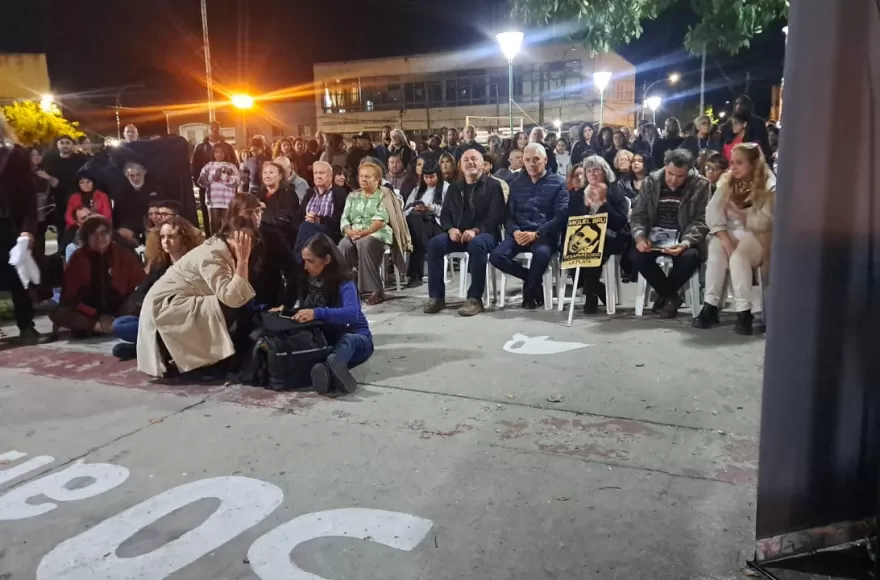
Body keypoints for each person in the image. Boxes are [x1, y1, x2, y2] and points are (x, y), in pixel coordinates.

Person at [137, 213, 259, 378]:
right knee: (230, 307)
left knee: (245, 310)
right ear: (227, 236)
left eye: (249, 240)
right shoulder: (213, 255)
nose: (245, 244)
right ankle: (209, 362)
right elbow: (232, 298)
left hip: (181, 304)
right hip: (166, 308)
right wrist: (243, 260)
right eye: (240, 238)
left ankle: (227, 359)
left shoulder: (225, 251)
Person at [693, 143, 774, 335]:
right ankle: (710, 306)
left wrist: (740, 215)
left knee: (738, 258)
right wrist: (724, 238)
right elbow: (713, 212)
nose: (734, 167)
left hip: (757, 235)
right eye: (732, 162)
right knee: (716, 251)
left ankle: (744, 312)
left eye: (739, 163)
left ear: (753, 164)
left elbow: (766, 222)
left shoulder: (769, 186)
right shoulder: (727, 182)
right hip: (729, 232)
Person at [423, 148, 505, 316]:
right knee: (435, 244)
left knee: (476, 244)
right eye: (466, 160)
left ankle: (475, 299)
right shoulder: (454, 187)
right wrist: (450, 229)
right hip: (458, 235)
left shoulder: (493, 186)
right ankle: (436, 297)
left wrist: (476, 230)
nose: (470, 162)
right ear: (460, 165)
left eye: (474, 159)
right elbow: (445, 215)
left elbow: (496, 216)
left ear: (482, 164)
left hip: (485, 235)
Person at [630, 149, 710, 318]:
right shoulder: (650, 182)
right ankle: (671, 296)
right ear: (665, 166)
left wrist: (685, 243)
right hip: (654, 236)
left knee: (690, 257)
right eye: (670, 174)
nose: (673, 180)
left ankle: (665, 296)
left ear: (688, 171)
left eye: (680, 176)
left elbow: (702, 220)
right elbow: (638, 216)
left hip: (683, 237)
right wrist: (640, 237)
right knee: (637, 256)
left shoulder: (701, 185)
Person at [489, 143, 569, 309]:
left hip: (544, 235)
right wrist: (515, 231)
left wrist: (537, 233)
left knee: (541, 254)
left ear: (545, 160)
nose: (532, 164)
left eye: (536, 159)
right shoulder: (516, 184)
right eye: (527, 160)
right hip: (519, 233)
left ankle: (530, 290)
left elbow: (561, 217)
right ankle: (532, 280)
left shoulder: (559, 183)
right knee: (496, 256)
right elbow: (508, 216)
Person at [111, 215, 202, 360]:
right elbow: (139, 294)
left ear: (184, 238)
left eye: (171, 237)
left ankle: (150, 348)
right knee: (120, 325)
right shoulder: (160, 266)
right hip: (156, 317)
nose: (166, 241)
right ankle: (157, 346)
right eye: (163, 237)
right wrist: (151, 306)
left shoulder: (195, 264)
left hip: (183, 321)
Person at [298, 234, 374, 395]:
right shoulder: (307, 279)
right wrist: (285, 310)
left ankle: (331, 367)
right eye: (304, 260)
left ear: (326, 259)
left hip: (358, 340)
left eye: (310, 261)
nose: (305, 266)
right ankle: (329, 372)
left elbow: (352, 314)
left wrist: (317, 313)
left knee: (347, 341)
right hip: (327, 340)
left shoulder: (344, 280)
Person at [50, 215, 145, 337]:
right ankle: (104, 328)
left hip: (120, 309)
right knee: (60, 312)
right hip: (90, 314)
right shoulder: (78, 258)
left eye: (104, 233)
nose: (100, 238)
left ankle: (117, 325)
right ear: (86, 237)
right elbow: (70, 297)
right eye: (94, 234)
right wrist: (95, 316)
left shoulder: (124, 256)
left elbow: (141, 286)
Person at [567, 156, 631, 313]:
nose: (592, 174)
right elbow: (571, 219)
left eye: (596, 170)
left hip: (612, 236)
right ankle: (595, 288)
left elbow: (620, 222)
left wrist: (603, 204)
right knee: (574, 246)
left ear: (605, 172)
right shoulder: (580, 193)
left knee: (594, 247)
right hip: (584, 237)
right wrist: (585, 207)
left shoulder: (615, 191)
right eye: (589, 171)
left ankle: (591, 295)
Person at [338, 159, 395, 305]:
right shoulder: (353, 196)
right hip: (355, 233)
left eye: (367, 176)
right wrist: (350, 232)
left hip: (377, 232)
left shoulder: (383, 196)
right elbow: (344, 219)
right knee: (343, 245)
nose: (363, 179)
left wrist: (363, 233)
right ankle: (346, 288)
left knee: (364, 243)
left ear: (377, 180)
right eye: (361, 176)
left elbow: (380, 220)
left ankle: (373, 290)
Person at [402, 159, 448, 287]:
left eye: (432, 177)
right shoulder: (418, 189)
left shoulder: (446, 188)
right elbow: (405, 210)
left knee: (417, 233)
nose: (429, 180)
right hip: (419, 224)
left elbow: (449, 212)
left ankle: (415, 275)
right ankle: (426, 251)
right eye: (426, 177)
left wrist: (432, 208)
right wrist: (414, 208)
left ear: (438, 175)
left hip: (437, 224)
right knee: (415, 220)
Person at [191, 121, 238, 235]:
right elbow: (195, 166)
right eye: (212, 128)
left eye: (217, 128)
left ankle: (227, 239)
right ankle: (210, 238)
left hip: (226, 191)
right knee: (210, 218)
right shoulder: (201, 147)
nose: (214, 130)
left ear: (220, 130)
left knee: (227, 220)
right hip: (209, 189)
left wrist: (230, 181)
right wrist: (201, 183)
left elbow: (235, 165)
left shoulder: (228, 147)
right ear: (208, 130)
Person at [294, 161, 349, 256]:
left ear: (330, 176)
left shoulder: (340, 194)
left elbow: (340, 220)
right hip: (308, 231)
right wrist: (307, 219)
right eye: (316, 173)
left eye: (322, 173)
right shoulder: (309, 193)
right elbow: (298, 216)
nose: (318, 176)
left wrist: (320, 220)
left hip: (329, 232)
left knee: (306, 227)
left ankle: (296, 261)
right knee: (304, 228)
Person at [40, 135, 87, 236]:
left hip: (75, 198)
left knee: (73, 227)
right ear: (57, 145)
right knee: (51, 228)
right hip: (54, 199)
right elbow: (42, 173)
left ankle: (70, 245)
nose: (64, 145)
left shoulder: (80, 159)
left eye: (67, 143)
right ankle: (52, 246)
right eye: (62, 143)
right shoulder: (51, 159)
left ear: (72, 145)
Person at [197, 145, 241, 232]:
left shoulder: (231, 166)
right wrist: (212, 178)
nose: (219, 154)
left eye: (221, 152)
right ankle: (215, 241)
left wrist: (226, 178)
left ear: (225, 153)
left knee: (227, 227)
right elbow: (201, 181)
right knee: (214, 226)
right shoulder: (208, 166)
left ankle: (226, 240)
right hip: (213, 201)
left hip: (228, 201)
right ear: (213, 153)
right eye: (216, 152)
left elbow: (237, 182)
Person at [720, 94, 773, 162]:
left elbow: (763, 144)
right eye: (737, 104)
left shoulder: (758, 122)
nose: (739, 106)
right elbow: (723, 143)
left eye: (742, 104)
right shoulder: (728, 124)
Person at [259, 161, 300, 247]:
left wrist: (263, 213)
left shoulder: (289, 195)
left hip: (281, 239)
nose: (267, 176)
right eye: (264, 173)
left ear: (280, 176)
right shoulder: (259, 195)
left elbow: (284, 221)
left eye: (271, 172)